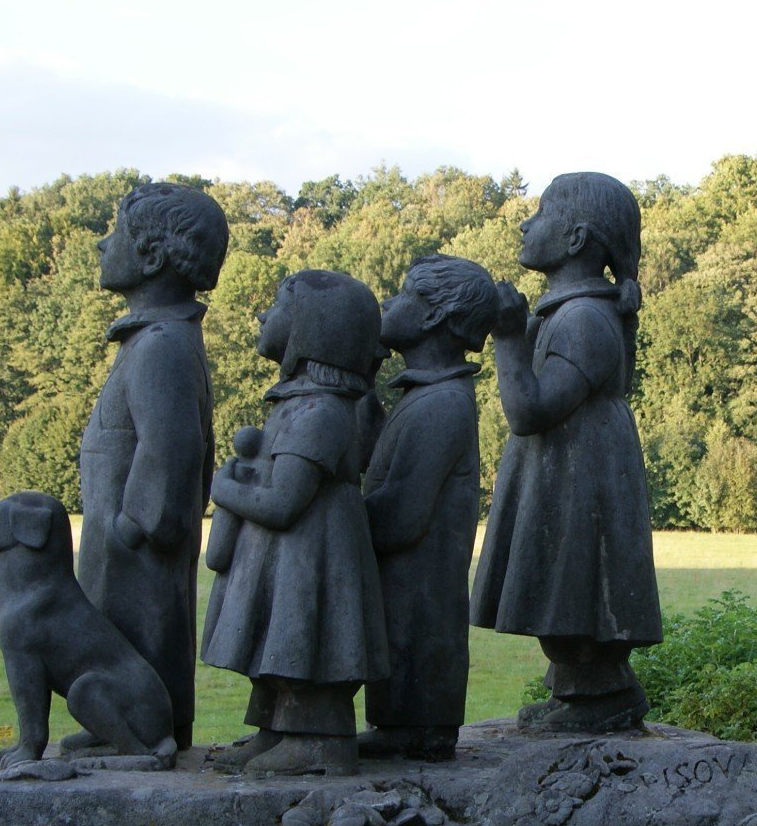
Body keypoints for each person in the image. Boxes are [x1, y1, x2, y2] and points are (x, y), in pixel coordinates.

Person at [470, 173, 663, 733]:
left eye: (540, 213)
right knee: (562, 580)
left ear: (576, 238)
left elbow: (530, 411)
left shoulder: (583, 320)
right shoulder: (571, 312)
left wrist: (508, 336)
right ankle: (578, 691)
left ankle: (603, 695)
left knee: (574, 578)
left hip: (584, 477)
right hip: (569, 468)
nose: (526, 224)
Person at [201, 270, 389, 775]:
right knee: (281, 642)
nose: (263, 315)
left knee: (306, 639)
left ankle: (320, 741)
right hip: (291, 554)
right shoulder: (301, 403)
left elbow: (284, 503)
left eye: (277, 305)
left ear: (313, 330)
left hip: (313, 553)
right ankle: (277, 730)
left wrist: (223, 489)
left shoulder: (321, 411)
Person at [76, 181, 226, 755]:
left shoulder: (161, 345)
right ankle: (119, 728)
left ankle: (143, 732)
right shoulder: (156, 339)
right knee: (114, 634)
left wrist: (134, 525)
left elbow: (169, 449)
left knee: (141, 636)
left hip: (134, 548)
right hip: (120, 544)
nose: (102, 244)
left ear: (153, 255)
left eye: (115, 231)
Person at [360, 254, 500, 760]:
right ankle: (402, 725)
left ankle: (419, 728)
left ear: (434, 315)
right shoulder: (427, 397)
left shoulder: (442, 404)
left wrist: (332, 520)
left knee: (414, 637)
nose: (388, 303)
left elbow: (401, 516)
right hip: (406, 588)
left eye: (402, 295)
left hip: (420, 587)